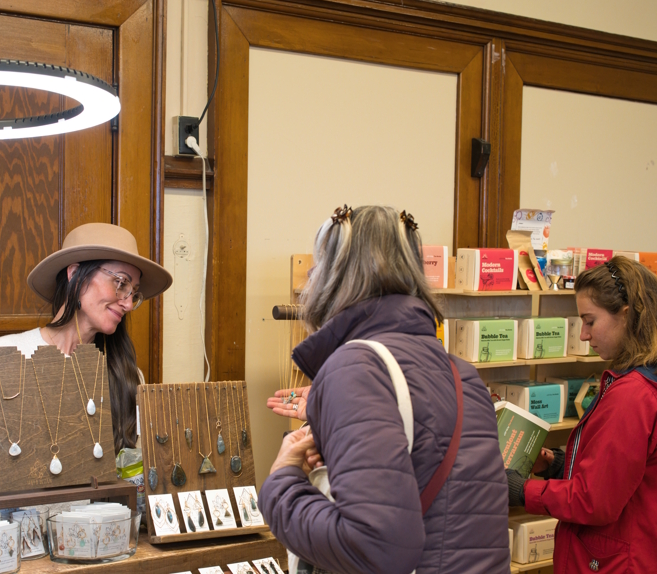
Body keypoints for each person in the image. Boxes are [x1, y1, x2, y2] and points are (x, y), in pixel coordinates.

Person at [259, 205, 509, 574]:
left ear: (335, 274)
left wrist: (282, 484)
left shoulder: (354, 368)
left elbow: (375, 548)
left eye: (319, 264)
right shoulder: (462, 374)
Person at [0, 222, 172, 487]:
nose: (128, 303)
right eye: (120, 283)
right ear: (75, 274)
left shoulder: (126, 375)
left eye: (133, 292)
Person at [506, 256, 657, 573]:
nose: (584, 335)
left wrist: (521, 490)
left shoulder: (632, 395)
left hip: (613, 561)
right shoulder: (639, 381)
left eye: (590, 321)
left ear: (627, 316)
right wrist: (558, 465)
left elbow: (594, 501)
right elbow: (621, 474)